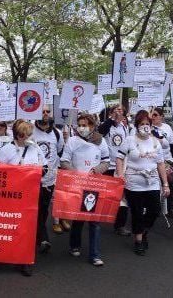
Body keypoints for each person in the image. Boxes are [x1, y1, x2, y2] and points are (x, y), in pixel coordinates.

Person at [0, 119, 47, 276]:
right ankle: (8, 253)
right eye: (28, 134)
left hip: (31, 194)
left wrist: (35, 172)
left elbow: (44, 167)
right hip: (13, 197)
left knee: (28, 228)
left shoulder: (35, 147)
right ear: (19, 135)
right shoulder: (6, 150)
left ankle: (25, 260)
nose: (31, 137)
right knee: (13, 226)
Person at [116, 110, 170, 256]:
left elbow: (160, 164)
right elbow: (120, 158)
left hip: (152, 182)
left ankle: (143, 230)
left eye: (147, 124)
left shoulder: (155, 142)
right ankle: (139, 240)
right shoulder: (130, 140)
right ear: (137, 125)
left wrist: (165, 183)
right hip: (133, 182)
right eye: (142, 124)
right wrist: (120, 175)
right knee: (137, 212)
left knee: (154, 210)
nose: (145, 126)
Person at [61, 113, 109, 266]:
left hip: (94, 185)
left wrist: (97, 169)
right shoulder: (72, 141)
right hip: (77, 184)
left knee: (94, 221)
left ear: (92, 126)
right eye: (79, 125)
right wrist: (75, 173)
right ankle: (75, 245)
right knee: (78, 219)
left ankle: (94, 255)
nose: (81, 128)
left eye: (85, 125)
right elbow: (64, 161)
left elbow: (106, 161)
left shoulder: (101, 141)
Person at [32, 106, 65, 247]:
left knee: (44, 209)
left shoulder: (57, 133)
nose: (45, 114)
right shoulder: (29, 131)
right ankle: (41, 237)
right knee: (33, 209)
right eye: (42, 111)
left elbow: (59, 152)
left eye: (47, 111)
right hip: (32, 179)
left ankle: (39, 234)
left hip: (49, 179)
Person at [98, 105, 132, 236]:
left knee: (122, 197)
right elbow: (100, 133)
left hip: (119, 167)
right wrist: (111, 120)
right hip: (106, 165)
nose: (119, 112)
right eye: (116, 110)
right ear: (111, 113)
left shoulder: (124, 127)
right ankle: (96, 219)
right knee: (102, 195)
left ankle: (120, 225)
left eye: (121, 110)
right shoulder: (106, 125)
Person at [150, 107, 173, 219]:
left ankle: (170, 208)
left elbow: (172, 145)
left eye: (156, 115)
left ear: (161, 116)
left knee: (169, 184)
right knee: (155, 185)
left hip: (167, 160)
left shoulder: (167, 127)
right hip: (153, 160)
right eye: (152, 115)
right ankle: (156, 208)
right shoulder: (148, 128)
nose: (153, 117)